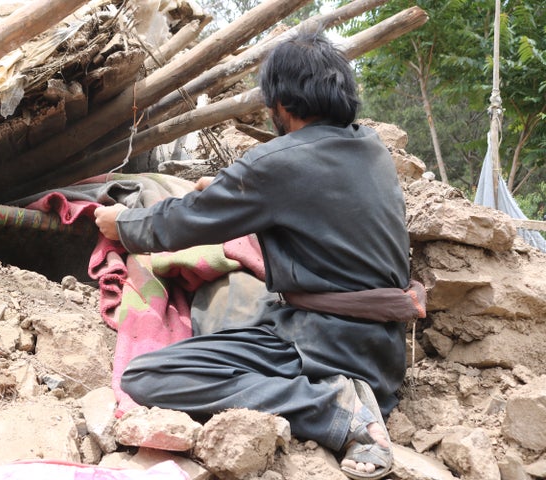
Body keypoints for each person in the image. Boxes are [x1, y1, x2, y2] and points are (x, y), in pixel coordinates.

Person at [94, 30, 413, 480]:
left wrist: (121, 226)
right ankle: (346, 396)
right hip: (382, 354)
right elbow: (303, 203)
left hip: (322, 344)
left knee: (147, 376)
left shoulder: (279, 162)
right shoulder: (371, 150)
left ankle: (335, 410)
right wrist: (228, 192)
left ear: (281, 103)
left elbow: (181, 222)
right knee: (238, 311)